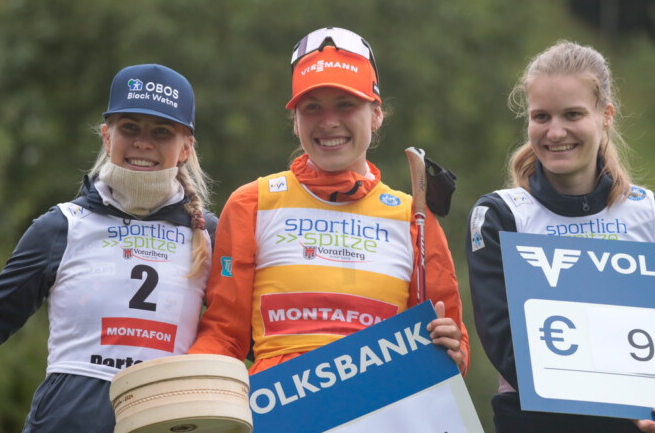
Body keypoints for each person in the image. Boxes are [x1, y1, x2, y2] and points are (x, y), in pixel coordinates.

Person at [189, 26, 469, 375]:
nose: (329, 122)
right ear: (295, 121)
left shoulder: (414, 217)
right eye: (312, 107)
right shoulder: (252, 204)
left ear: (376, 114)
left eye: (345, 104)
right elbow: (224, 337)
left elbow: (451, 347)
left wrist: (454, 349)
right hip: (280, 416)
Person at [0, 64, 217, 432]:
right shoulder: (62, 226)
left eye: (162, 132)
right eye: (129, 127)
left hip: (164, 421)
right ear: (107, 136)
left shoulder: (212, 234)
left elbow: (247, 338)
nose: (143, 143)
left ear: (185, 147)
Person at [465, 41, 655, 433]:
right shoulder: (499, 216)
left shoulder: (653, 214)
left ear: (606, 116)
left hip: (640, 424)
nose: (555, 132)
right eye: (541, 116)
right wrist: (620, 402)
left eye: (572, 114)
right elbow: (506, 347)